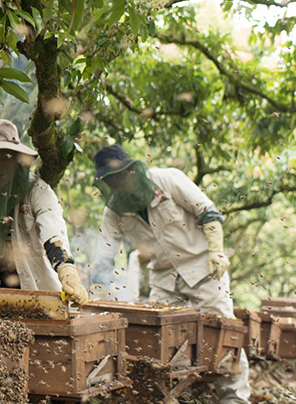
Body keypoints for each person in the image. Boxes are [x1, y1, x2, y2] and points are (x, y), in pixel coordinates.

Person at [90, 144, 250, 403]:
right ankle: (174, 395)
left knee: (226, 332)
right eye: (111, 179)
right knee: (156, 341)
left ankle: (233, 397)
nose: (118, 182)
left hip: (203, 269)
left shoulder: (168, 179)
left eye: (120, 175)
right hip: (164, 279)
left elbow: (207, 211)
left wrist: (216, 250)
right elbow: (104, 255)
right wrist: (94, 288)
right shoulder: (113, 211)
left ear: (132, 170)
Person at [0, 119, 89, 305]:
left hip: (40, 291)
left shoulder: (38, 191)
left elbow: (52, 232)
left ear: (17, 158)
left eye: (4, 158)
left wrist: (68, 272)